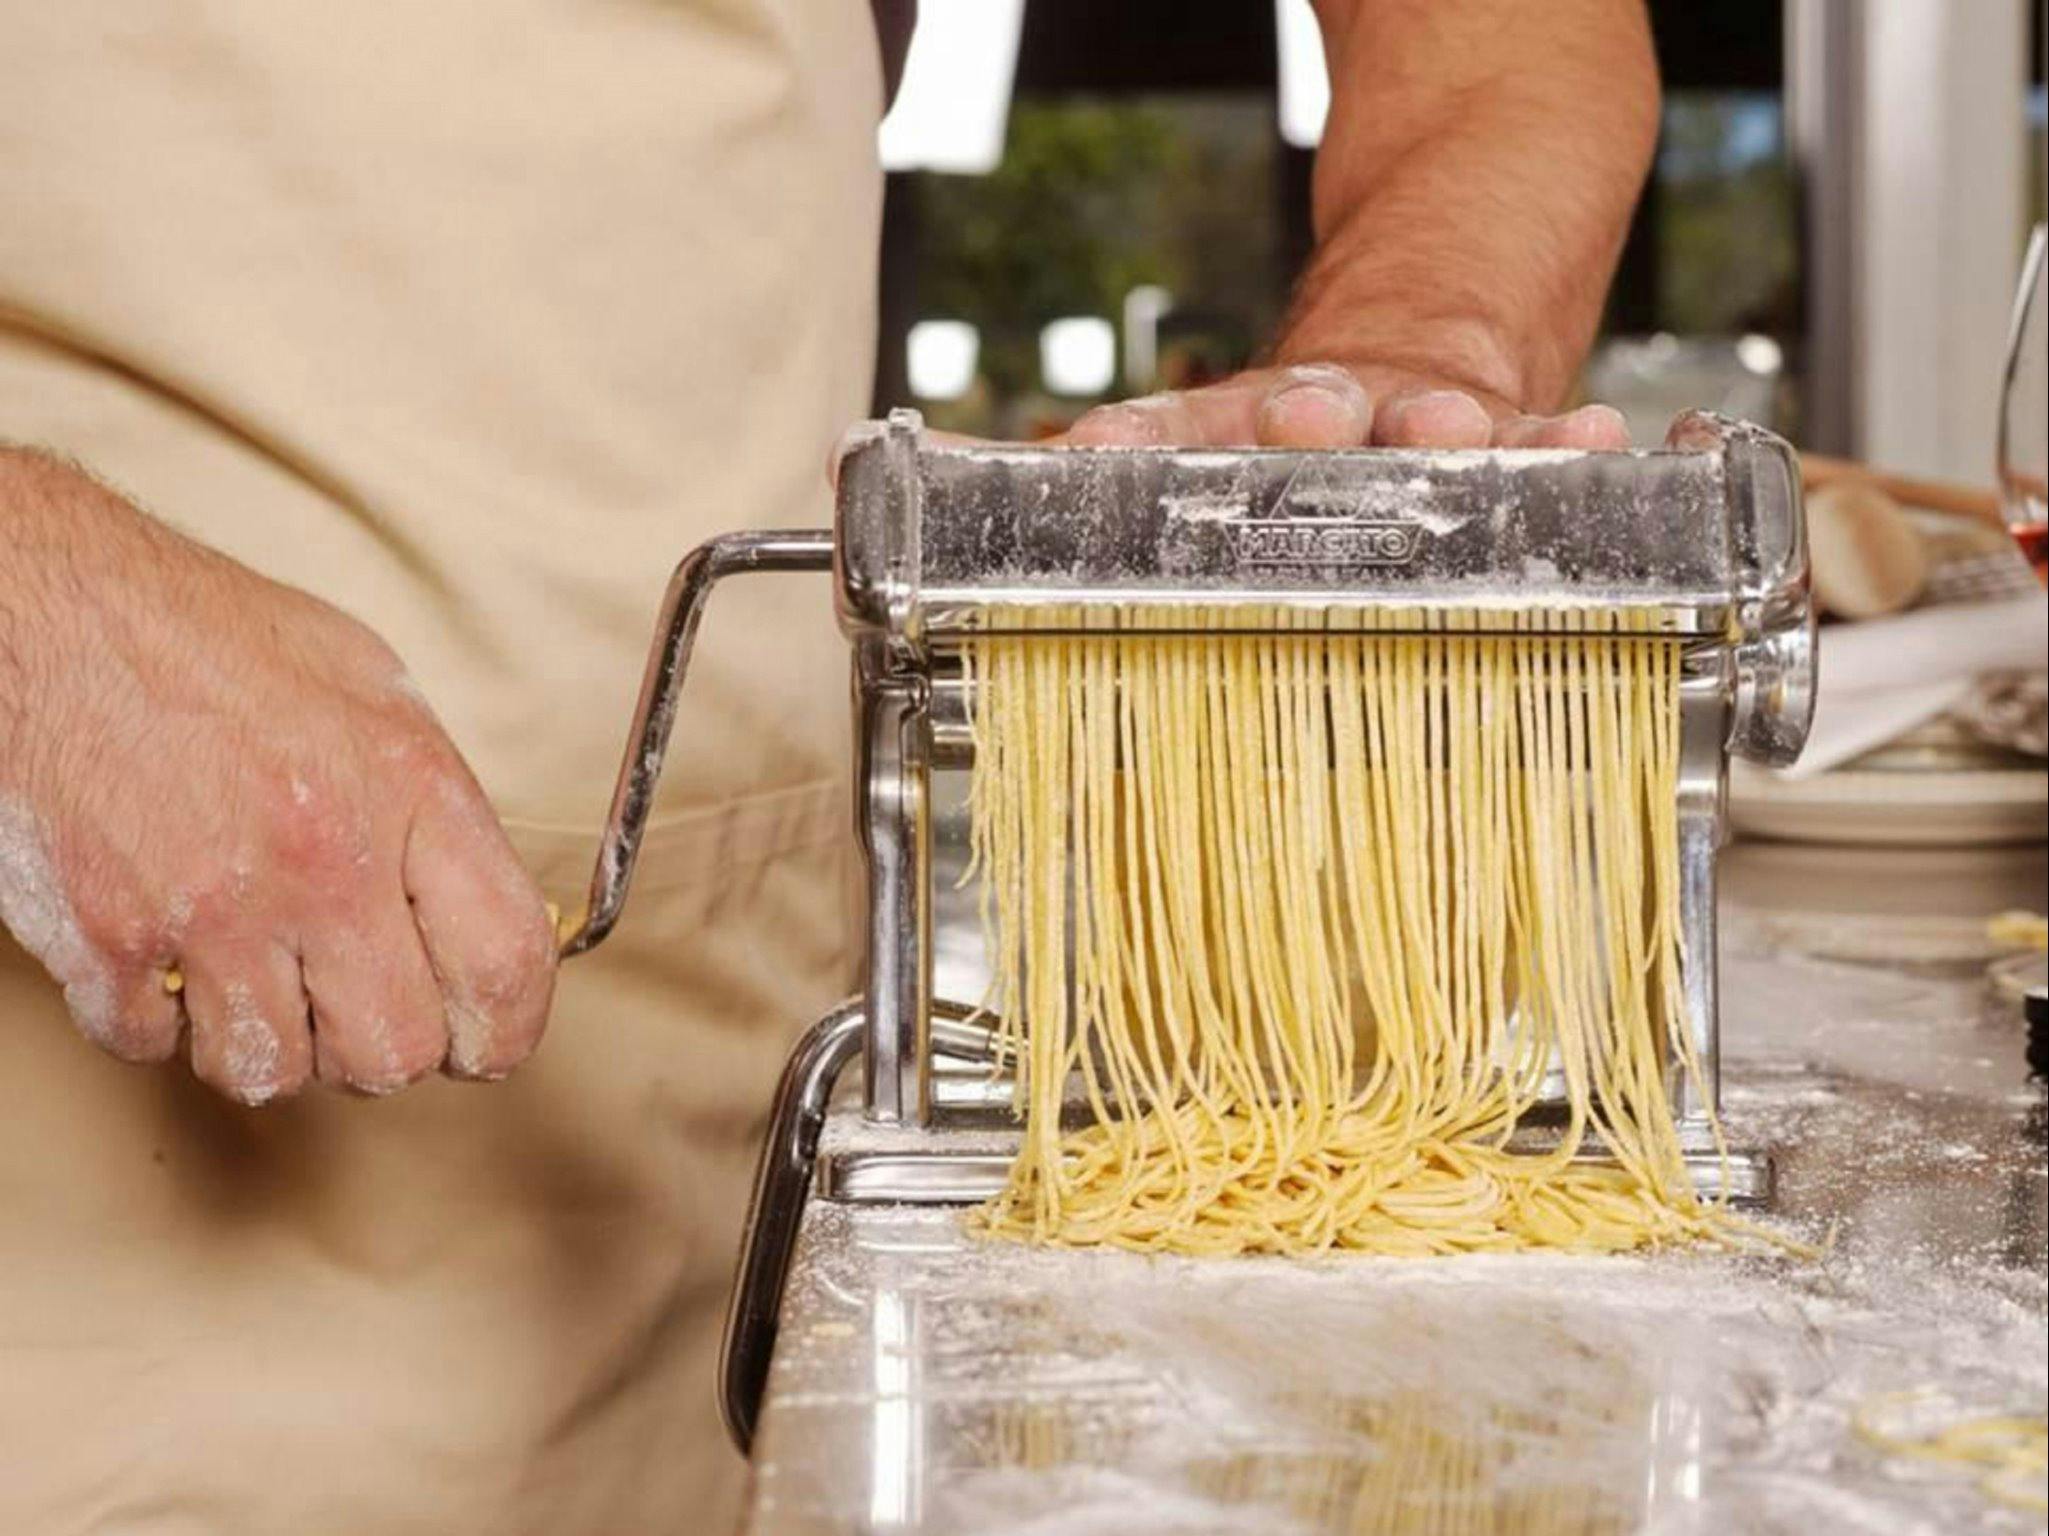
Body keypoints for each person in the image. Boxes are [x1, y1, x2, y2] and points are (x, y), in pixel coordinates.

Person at [0, 1, 1657, 1529]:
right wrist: (45, 618)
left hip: (723, 1111)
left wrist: (1395, 362)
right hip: (89, 1199)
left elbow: (1505, 45)